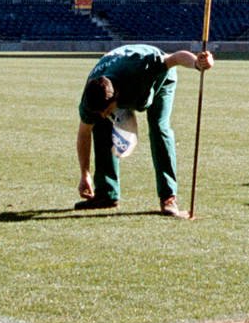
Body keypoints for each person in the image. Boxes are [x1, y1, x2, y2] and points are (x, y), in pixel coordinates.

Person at [76, 43, 214, 218]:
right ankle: (106, 194)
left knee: (159, 128)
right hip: (115, 70)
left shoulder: (141, 67)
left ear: (117, 97)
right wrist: (84, 174)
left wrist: (197, 63)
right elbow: (83, 133)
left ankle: (168, 198)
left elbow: (176, 57)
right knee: (101, 125)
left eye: (107, 110)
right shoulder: (91, 95)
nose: (104, 114)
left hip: (159, 80)